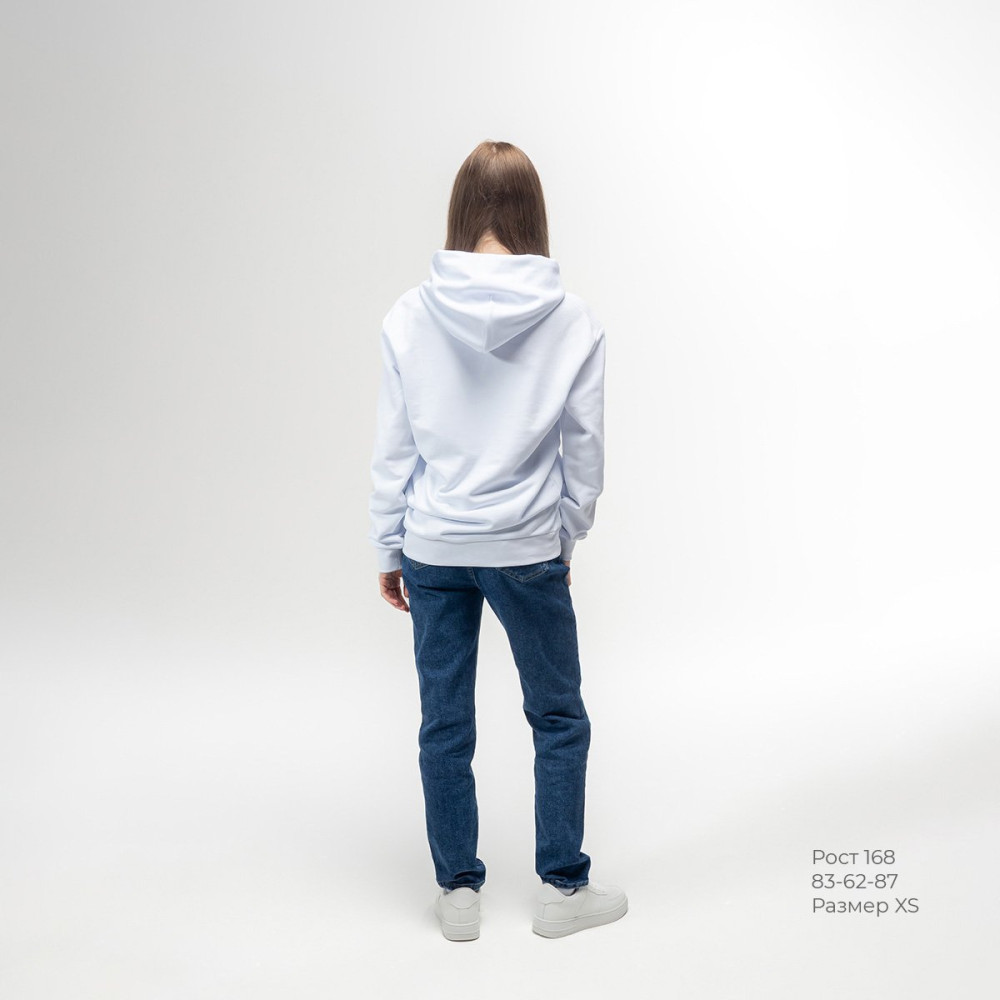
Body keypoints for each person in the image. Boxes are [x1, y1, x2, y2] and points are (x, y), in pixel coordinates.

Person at [367, 140, 627, 941]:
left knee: (444, 725)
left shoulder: (409, 316)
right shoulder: (572, 319)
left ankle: (457, 895)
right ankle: (562, 889)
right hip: (526, 549)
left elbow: (394, 449)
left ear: (460, 210)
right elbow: (585, 456)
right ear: (532, 213)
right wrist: (565, 539)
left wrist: (387, 546)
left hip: (434, 547)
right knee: (558, 717)